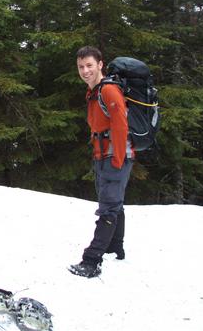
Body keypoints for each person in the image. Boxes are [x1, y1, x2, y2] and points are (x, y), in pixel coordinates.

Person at [69, 46, 134, 278]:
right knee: (115, 204)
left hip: (114, 157)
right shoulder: (94, 91)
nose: (85, 71)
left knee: (108, 208)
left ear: (100, 64)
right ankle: (116, 248)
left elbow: (120, 125)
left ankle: (91, 261)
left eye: (89, 65)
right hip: (103, 155)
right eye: (81, 67)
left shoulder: (108, 91)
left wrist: (117, 158)